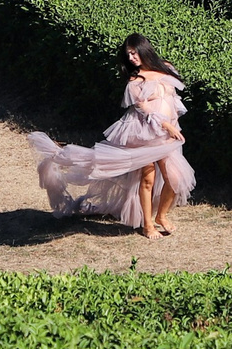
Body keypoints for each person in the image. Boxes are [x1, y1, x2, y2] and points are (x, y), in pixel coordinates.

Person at [27, 34, 193, 237]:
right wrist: (167, 125)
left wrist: (174, 125)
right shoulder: (135, 80)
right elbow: (144, 109)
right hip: (143, 134)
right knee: (147, 179)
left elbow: (173, 101)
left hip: (167, 134)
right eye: (128, 54)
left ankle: (162, 216)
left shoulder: (166, 69)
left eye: (134, 52)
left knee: (175, 179)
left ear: (144, 49)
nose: (132, 57)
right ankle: (147, 224)